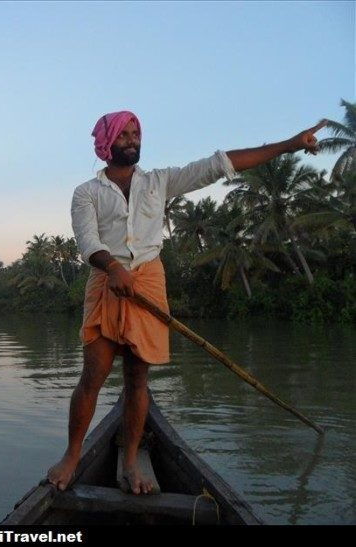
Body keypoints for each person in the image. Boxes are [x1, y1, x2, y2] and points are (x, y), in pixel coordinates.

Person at [46, 110, 327, 495]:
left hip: (147, 281)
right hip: (106, 283)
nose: (132, 139)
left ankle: (130, 460)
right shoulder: (86, 192)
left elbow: (219, 165)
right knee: (92, 376)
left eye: (136, 133)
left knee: (137, 379)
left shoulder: (159, 181)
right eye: (124, 134)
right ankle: (73, 454)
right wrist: (112, 267)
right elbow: (87, 241)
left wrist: (290, 145)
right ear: (106, 142)